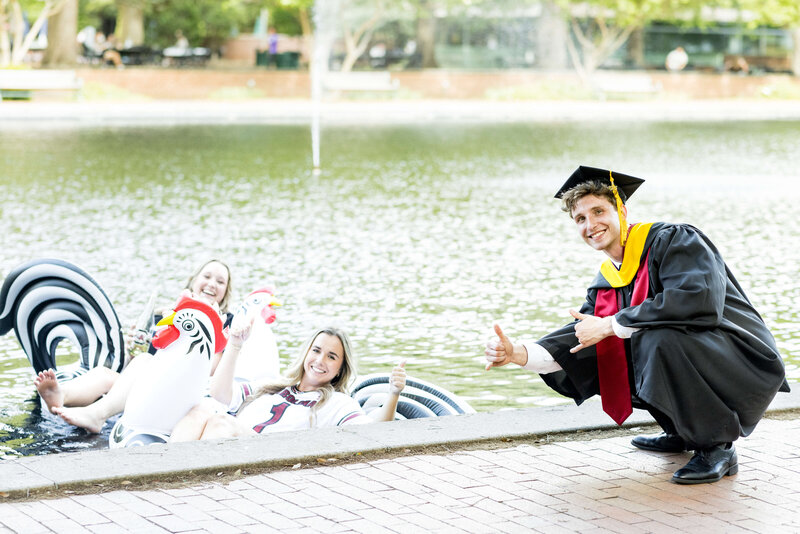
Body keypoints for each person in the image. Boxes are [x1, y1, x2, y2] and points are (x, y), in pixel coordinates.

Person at [484, 166, 789, 485]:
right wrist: (517, 353)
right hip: (703, 360)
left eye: (598, 211)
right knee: (612, 344)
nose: (591, 224)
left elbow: (698, 300)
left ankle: (717, 447)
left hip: (742, 359)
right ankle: (682, 430)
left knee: (655, 337)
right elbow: (579, 336)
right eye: (580, 219)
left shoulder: (674, 241)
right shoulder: (608, 283)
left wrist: (613, 324)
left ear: (622, 210)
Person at [34, 259, 234, 433]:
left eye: (220, 281)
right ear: (193, 281)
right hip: (150, 380)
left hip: (183, 388)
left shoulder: (225, 325)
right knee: (105, 374)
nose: (212, 284)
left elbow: (211, 368)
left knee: (146, 361)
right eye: (206, 276)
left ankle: (97, 415)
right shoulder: (164, 315)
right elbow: (133, 361)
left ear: (225, 292)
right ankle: (60, 395)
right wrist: (131, 349)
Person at [170, 324, 406, 441]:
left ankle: (193, 487)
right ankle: (171, 470)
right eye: (316, 350)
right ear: (306, 353)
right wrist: (235, 345)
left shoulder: (338, 403)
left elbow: (375, 430)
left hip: (267, 458)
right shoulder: (271, 387)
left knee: (221, 422)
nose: (320, 360)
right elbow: (220, 393)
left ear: (339, 370)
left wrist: (393, 393)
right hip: (236, 441)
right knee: (201, 409)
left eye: (331, 357)